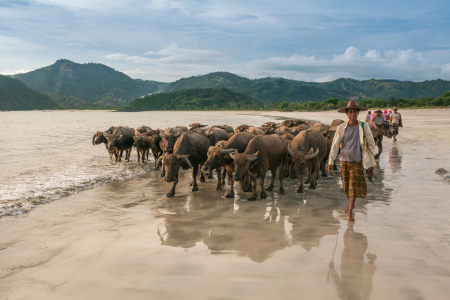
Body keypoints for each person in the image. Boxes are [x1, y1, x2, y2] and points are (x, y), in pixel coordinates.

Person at [328, 101, 376, 221]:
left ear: (358, 113)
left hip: (357, 161)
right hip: (344, 160)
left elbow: (371, 144)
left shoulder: (364, 126)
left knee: (353, 187)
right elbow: (335, 145)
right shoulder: (341, 128)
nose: (352, 114)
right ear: (347, 114)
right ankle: (351, 204)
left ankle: (349, 212)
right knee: (347, 187)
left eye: (355, 111)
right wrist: (331, 161)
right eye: (350, 112)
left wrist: (371, 162)